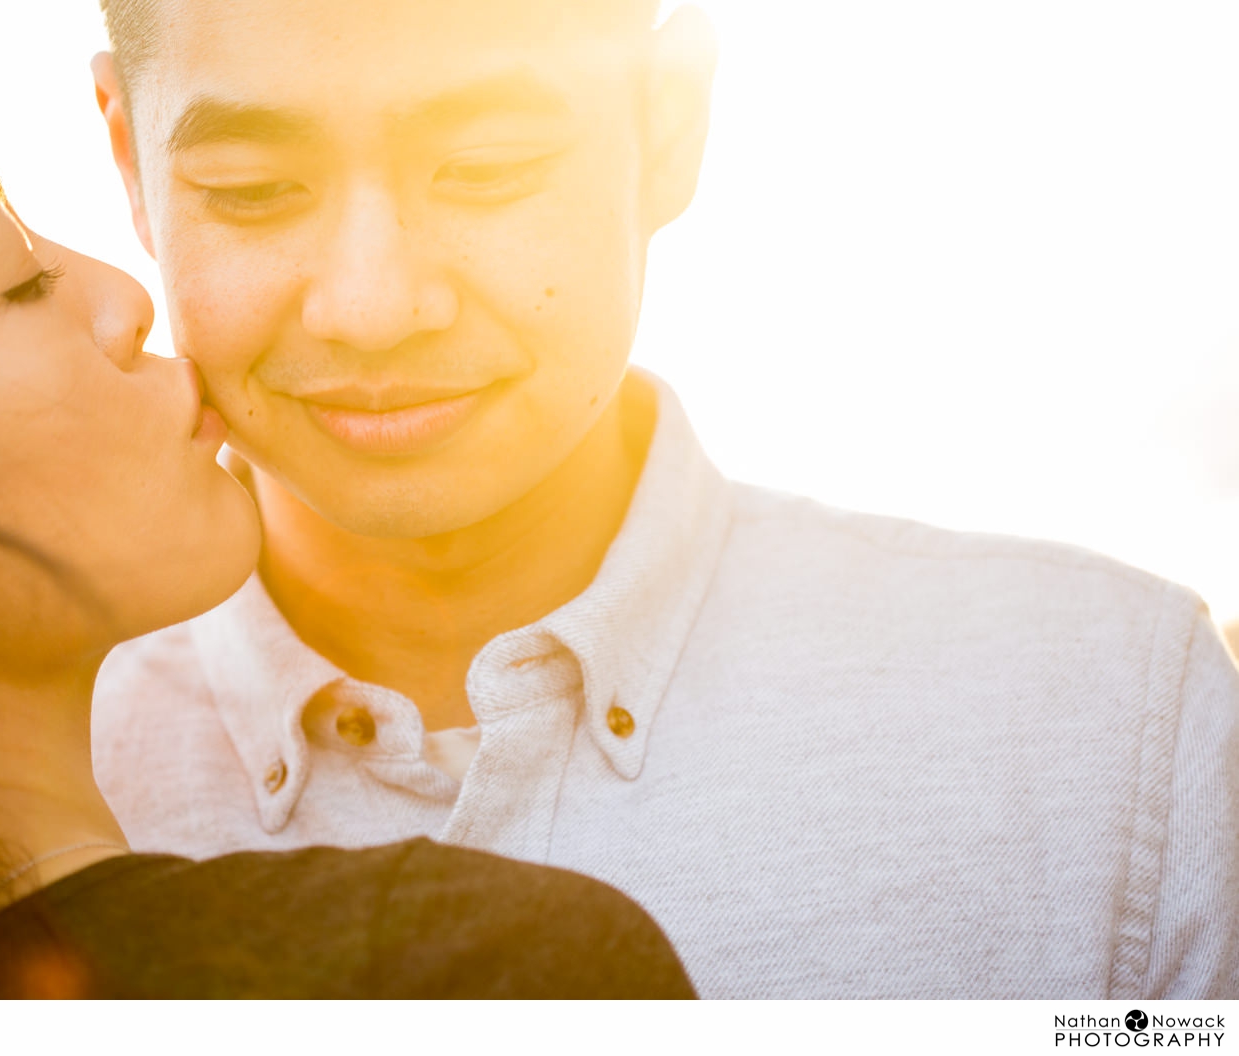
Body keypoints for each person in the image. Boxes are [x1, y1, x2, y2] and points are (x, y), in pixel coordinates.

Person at [89, 0, 1239, 999]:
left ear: (670, 120)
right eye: (252, 190)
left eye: (487, 166)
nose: (375, 305)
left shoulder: (1111, 731)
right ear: (129, 162)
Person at [0, 3, 695, 999]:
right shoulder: (484, 967)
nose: (124, 297)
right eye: (21, 282)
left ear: (671, 123)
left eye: (489, 166)